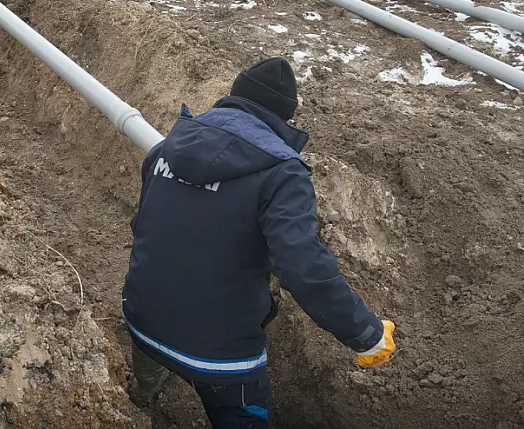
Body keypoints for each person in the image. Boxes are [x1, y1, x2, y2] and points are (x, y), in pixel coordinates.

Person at [122, 56, 396, 428]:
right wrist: (366, 333)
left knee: (153, 358)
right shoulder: (282, 174)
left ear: (234, 97)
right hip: (219, 355)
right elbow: (301, 266)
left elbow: (144, 225)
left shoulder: (167, 147)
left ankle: (143, 392)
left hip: (141, 319)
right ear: (285, 120)